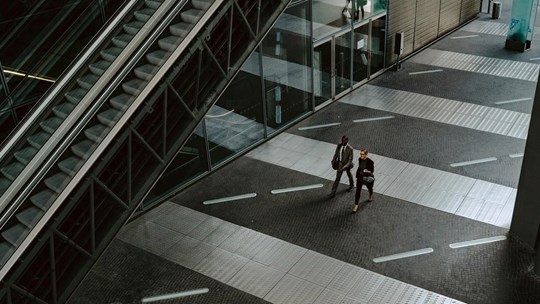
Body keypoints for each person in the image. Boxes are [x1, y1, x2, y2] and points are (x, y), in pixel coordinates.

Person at [352, 149, 374, 213]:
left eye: (362, 154)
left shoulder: (370, 162)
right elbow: (359, 167)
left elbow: (372, 171)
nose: (361, 155)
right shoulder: (360, 159)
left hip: (366, 177)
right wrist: (357, 175)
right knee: (358, 191)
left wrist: (367, 171)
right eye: (360, 154)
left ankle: (370, 194)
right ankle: (356, 205)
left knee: (369, 187)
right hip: (360, 177)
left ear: (366, 154)